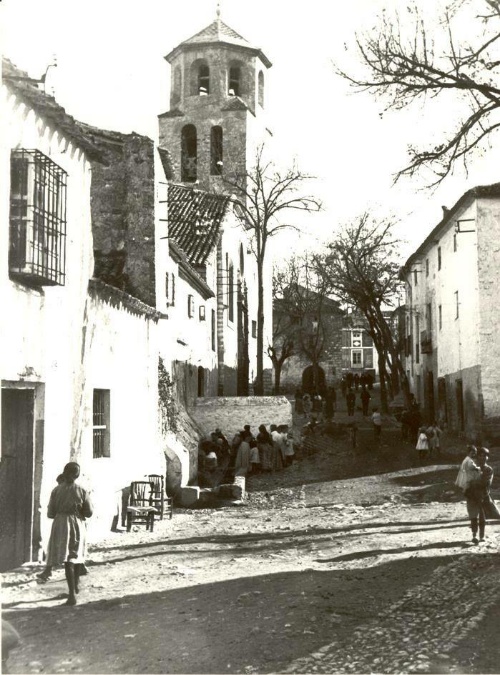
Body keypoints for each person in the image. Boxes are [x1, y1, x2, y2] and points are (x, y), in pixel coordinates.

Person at [45, 462, 93, 606]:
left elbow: (50, 513)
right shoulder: (82, 490)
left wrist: (62, 513)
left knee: (67, 558)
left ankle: (72, 593)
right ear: (77, 475)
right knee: (76, 555)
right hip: (77, 523)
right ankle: (75, 588)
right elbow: (89, 512)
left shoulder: (56, 490)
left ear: (65, 472)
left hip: (61, 524)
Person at [464, 447, 494, 544]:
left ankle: (481, 536)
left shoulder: (489, 469)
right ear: (477, 457)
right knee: (473, 516)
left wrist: (474, 483)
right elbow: (465, 480)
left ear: (487, 457)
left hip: (483, 496)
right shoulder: (471, 467)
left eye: (485, 456)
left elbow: (486, 483)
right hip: (472, 495)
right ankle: (474, 535)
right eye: (481, 455)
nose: (483, 458)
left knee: (482, 516)